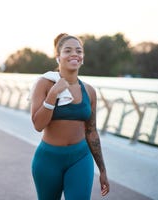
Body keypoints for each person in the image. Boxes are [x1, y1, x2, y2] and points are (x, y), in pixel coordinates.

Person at [30, 33, 109, 200]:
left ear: (82, 58)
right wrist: (53, 94)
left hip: (80, 157)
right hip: (48, 160)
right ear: (58, 57)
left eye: (79, 51)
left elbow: (92, 132)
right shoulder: (44, 84)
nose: (74, 54)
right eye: (68, 50)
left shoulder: (89, 91)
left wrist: (102, 170)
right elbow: (38, 125)